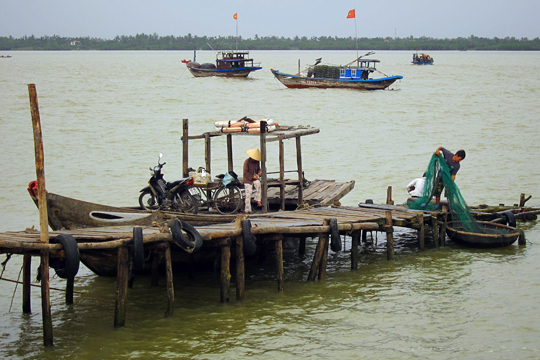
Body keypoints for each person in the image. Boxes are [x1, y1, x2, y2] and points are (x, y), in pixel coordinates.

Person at [243, 148, 263, 214]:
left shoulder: (257, 162)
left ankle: (258, 200)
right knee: (248, 193)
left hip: (254, 178)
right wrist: (252, 177)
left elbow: (258, 170)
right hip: (247, 179)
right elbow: (245, 172)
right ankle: (247, 210)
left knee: (258, 185)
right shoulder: (247, 162)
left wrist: (259, 173)